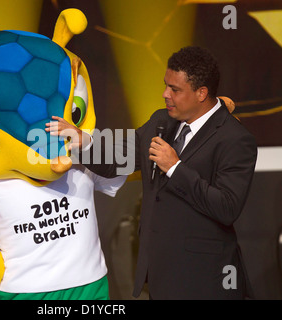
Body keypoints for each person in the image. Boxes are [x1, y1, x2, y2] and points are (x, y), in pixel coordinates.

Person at [46, 46, 258, 299]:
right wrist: (83, 142)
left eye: (175, 90)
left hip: (206, 280)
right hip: (160, 274)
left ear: (201, 93)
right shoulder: (162, 121)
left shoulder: (234, 139)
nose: (165, 94)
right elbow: (118, 158)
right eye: (165, 85)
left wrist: (175, 168)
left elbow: (227, 207)